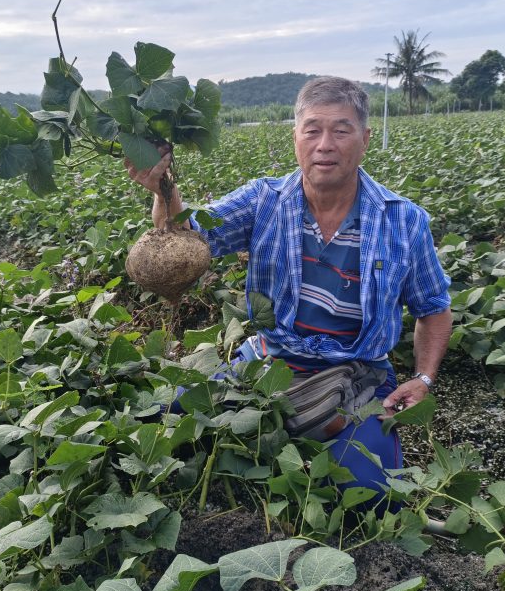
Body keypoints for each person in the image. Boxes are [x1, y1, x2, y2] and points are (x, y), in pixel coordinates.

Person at [126, 76, 452, 500]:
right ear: (295, 137)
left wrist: (423, 378)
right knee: (156, 421)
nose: (325, 144)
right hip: (267, 361)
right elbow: (190, 237)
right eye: (313, 129)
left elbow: (433, 308)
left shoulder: (404, 221)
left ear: (365, 139)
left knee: (371, 494)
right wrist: (163, 186)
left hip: (358, 373)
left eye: (341, 129)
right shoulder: (264, 200)